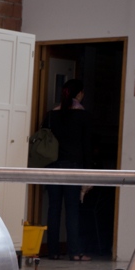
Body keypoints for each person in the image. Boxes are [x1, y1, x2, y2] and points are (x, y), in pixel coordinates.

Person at [44, 78, 94, 260]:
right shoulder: (83, 116)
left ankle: (53, 251)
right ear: (79, 94)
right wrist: (89, 173)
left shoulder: (51, 115)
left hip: (52, 166)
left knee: (54, 208)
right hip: (73, 166)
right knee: (72, 209)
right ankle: (75, 252)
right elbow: (87, 147)